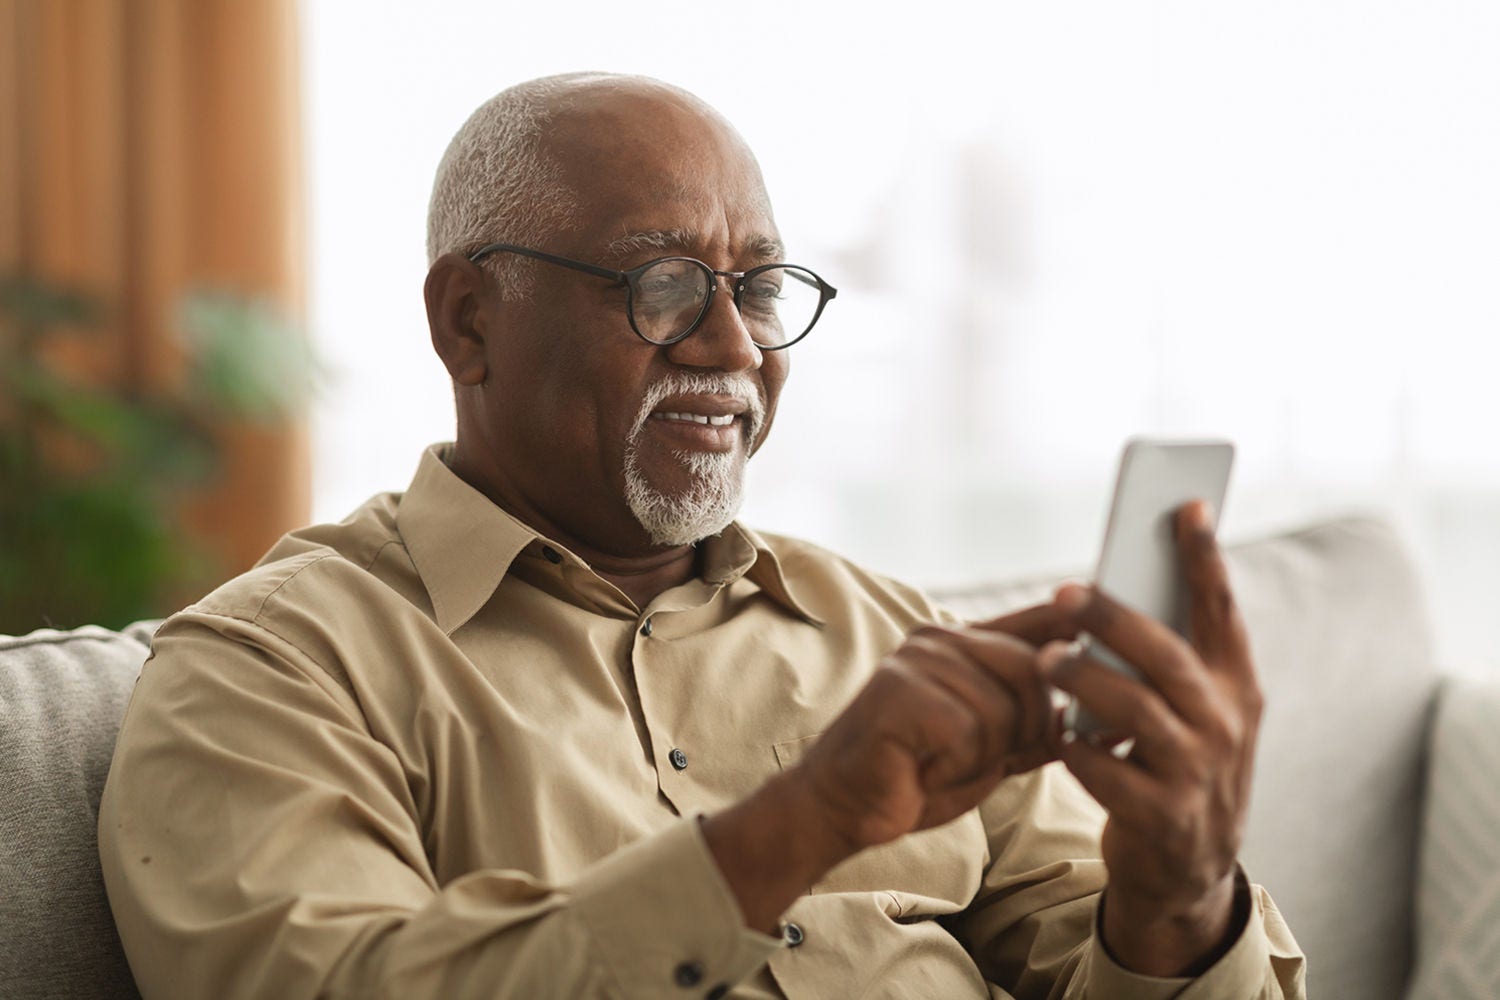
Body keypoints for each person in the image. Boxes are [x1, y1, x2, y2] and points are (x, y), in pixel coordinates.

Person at [98, 72, 1305, 999]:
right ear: (471, 321)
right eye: (663, 283)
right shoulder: (275, 667)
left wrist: (1180, 892)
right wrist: (802, 823)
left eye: (763, 287)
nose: (735, 349)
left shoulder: (891, 635)